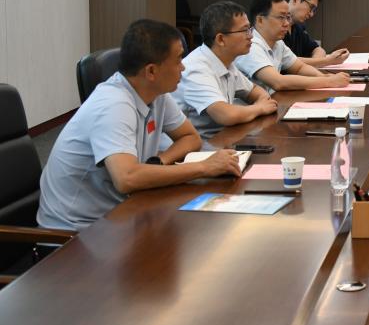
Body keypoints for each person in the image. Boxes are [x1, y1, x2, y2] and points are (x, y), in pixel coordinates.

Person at [37, 20, 242, 231]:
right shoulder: (113, 105)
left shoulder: (155, 93)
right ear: (151, 71)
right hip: (76, 232)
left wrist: (159, 161)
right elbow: (126, 178)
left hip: (122, 211)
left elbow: (190, 138)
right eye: (178, 60)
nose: (183, 67)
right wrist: (204, 167)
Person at [173, 1, 279, 138]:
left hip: (221, 139)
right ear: (221, 39)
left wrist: (261, 103)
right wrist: (259, 108)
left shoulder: (226, 61)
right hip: (198, 146)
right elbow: (226, 115)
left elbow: (255, 91)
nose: (251, 36)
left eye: (250, 29)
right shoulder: (196, 68)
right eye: (244, 30)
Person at [235, 0, 352, 92]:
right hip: (248, 109)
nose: (286, 23)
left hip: (270, 103)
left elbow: (299, 67)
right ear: (260, 20)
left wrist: (323, 76)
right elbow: (278, 82)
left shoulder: (278, 43)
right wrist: (329, 81)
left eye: (287, 17)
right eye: (281, 17)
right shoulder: (251, 46)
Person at [283, 0, 349, 68]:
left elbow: (317, 49)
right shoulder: (274, 26)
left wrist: (317, 62)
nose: (311, 14)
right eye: (311, 7)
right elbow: (285, 61)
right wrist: (327, 61)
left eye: (314, 10)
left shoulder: (298, 27)